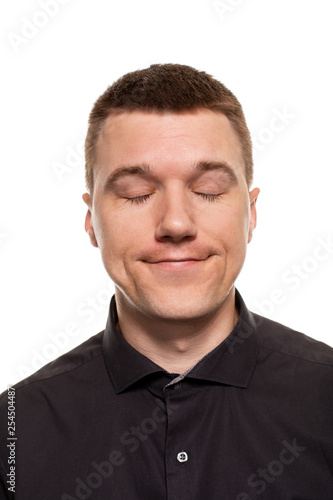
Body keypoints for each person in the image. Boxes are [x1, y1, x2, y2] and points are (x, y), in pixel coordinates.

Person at [1, 64, 333, 500]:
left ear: (250, 214)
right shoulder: (14, 431)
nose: (176, 223)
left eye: (209, 189)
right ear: (91, 222)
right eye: (137, 193)